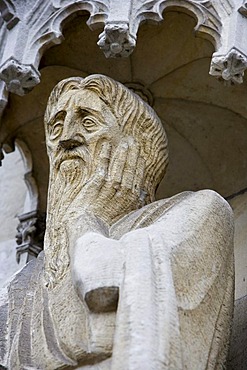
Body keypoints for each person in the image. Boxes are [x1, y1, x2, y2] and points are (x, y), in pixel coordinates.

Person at [0, 75, 234, 370]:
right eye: (57, 127)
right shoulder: (25, 282)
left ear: (136, 150)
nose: (66, 139)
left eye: (88, 123)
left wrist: (83, 216)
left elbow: (103, 284)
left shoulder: (199, 212)